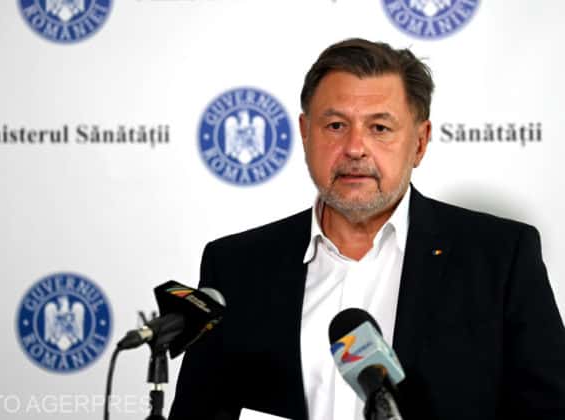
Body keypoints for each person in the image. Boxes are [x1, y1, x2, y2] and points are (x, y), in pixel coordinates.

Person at [169, 38, 565, 420]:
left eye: (379, 128)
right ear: (305, 134)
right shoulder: (236, 266)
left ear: (420, 142)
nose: (355, 148)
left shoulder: (500, 258)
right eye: (336, 125)